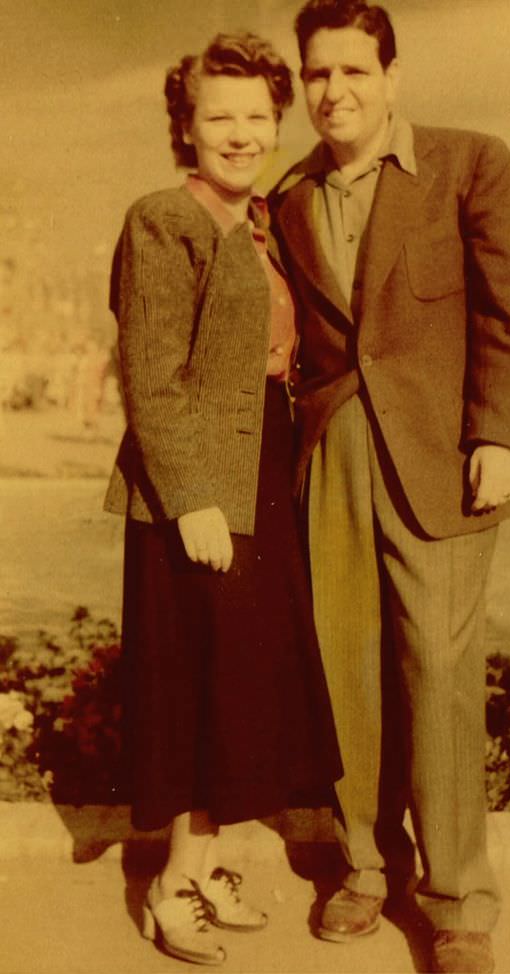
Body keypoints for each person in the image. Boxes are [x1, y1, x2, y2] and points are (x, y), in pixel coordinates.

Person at [269, 3, 510, 972]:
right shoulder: (289, 195)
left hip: (441, 458)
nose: (333, 91)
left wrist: (502, 434)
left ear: (391, 77)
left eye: (351, 70)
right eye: (315, 74)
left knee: (440, 672)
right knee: (348, 670)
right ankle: (364, 865)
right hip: (335, 452)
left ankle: (458, 899)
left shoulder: (470, 163)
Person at [104, 32, 342, 967]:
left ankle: (198, 869)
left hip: (263, 480)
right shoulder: (164, 219)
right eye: (220, 117)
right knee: (195, 687)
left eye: (257, 116)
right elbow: (151, 377)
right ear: (186, 127)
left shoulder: (265, 225)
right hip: (198, 490)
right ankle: (170, 887)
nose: (242, 135)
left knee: (236, 688)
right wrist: (194, 498)